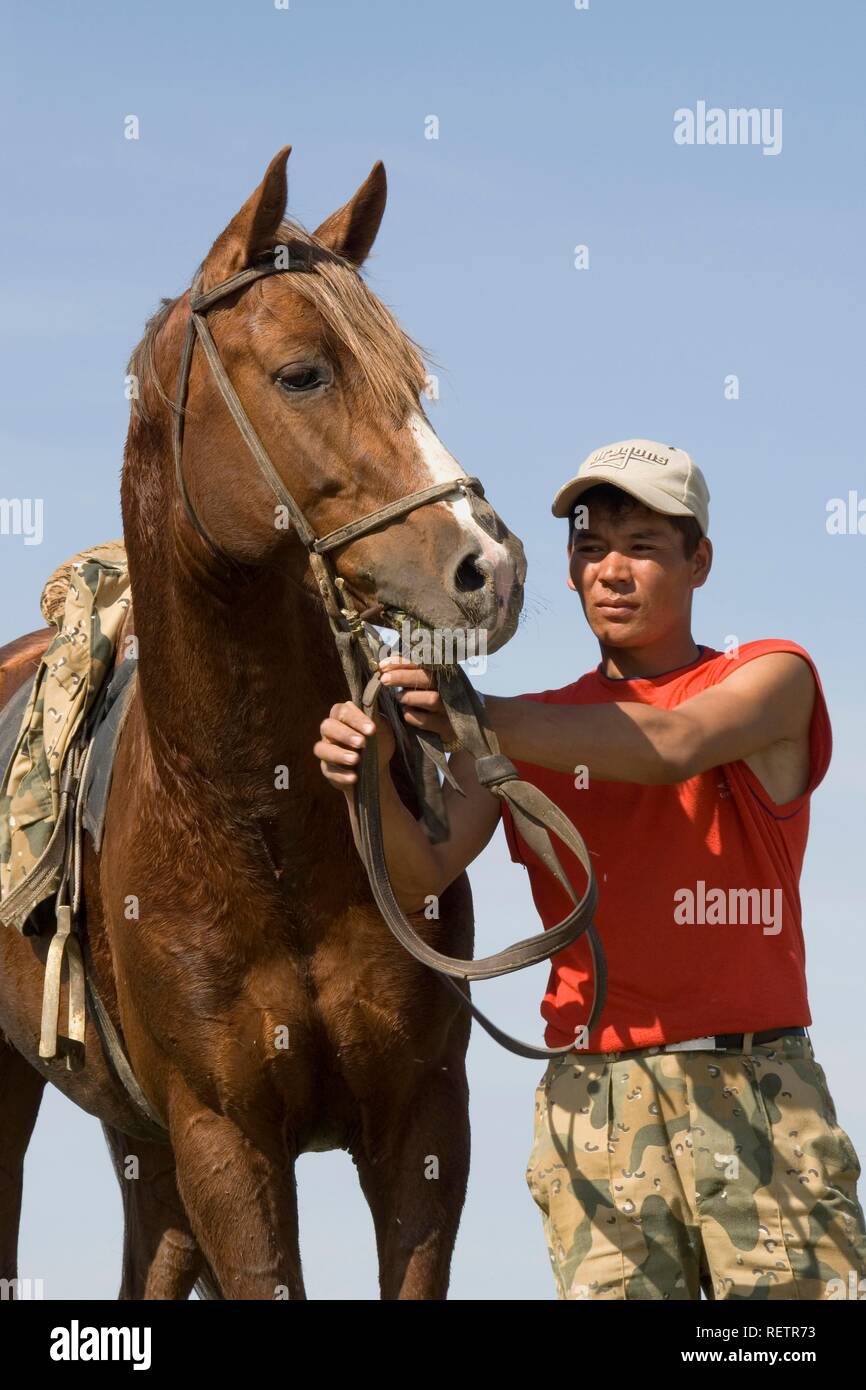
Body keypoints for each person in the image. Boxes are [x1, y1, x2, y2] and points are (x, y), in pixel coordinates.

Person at [313, 437, 866, 1301]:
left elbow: (672, 744)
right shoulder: (522, 728)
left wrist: (473, 716)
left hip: (758, 1087)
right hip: (595, 1101)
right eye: (592, 547)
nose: (612, 570)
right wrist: (370, 773)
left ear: (699, 562)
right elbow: (420, 877)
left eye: (642, 547)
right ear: (570, 571)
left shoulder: (772, 676)